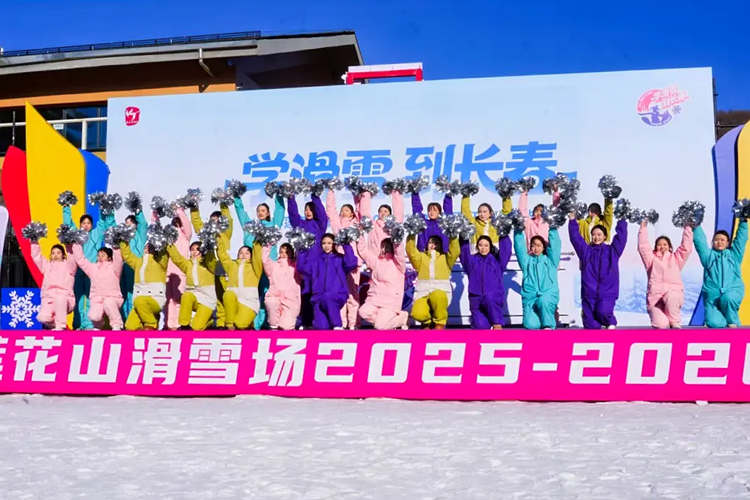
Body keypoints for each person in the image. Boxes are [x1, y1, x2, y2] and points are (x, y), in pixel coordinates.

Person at [234, 192, 285, 329]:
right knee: (253, 294)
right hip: (252, 267)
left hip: (269, 266)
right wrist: (236, 197)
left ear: (268, 213)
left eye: (263, 210)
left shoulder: (273, 225)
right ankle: (253, 324)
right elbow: (241, 212)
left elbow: (280, 211)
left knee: (268, 295)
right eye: (258, 211)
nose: (260, 213)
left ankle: (267, 324)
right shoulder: (250, 227)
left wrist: (279, 194)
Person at [569, 214, 628, 329]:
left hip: (607, 292)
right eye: (594, 235)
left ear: (605, 236)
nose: (596, 237)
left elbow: (621, 238)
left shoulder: (612, 251)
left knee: (603, 312)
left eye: (599, 234)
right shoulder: (586, 251)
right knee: (590, 324)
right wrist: (572, 221)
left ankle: (610, 322)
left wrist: (622, 220)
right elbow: (576, 239)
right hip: (588, 293)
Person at [62, 206, 115, 329]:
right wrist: (66, 207)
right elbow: (68, 224)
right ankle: (78, 324)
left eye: (88, 223)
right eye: (83, 223)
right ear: (80, 225)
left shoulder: (96, 234)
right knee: (79, 298)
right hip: (78, 271)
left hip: (92, 271)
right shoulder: (76, 235)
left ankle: (90, 324)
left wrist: (103, 207)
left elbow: (101, 223)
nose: (86, 225)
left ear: (92, 225)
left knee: (92, 297)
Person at [296, 233, 358, 329]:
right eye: (324, 243)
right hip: (318, 297)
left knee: (328, 297)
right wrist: (302, 249)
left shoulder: (340, 259)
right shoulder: (316, 260)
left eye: (329, 243)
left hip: (336, 295)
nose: (326, 246)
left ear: (334, 244)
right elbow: (302, 268)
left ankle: (338, 326)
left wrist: (346, 245)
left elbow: (351, 263)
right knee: (321, 327)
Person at [693, 218, 748, 328]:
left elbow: (740, 241)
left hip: (732, 290)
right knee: (713, 323)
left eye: (722, 240)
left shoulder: (734, 255)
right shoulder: (708, 257)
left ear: (727, 243)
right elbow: (700, 243)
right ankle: (723, 322)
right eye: (716, 240)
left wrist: (743, 222)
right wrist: (696, 226)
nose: (719, 242)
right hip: (713, 297)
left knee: (728, 299)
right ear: (712, 242)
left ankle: (733, 323)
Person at [637, 222, 693, 329]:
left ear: (670, 247)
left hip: (673, 295)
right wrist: (643, 227)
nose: (662, 246)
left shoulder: (676, 259)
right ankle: (665, 322)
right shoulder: (651, 260)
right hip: (656, 300)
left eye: (665, 244)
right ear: (655, 247)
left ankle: (674, 322)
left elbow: (686, 248)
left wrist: (688, 227)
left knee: (672, 297)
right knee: (661, 325)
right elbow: (643, 247)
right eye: (659, 244)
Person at [288, 191, 329, 327]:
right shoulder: (300, 225)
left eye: (311, 209)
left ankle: (319, 321)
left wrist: (315, 196)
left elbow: (322, 213)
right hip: (303, 267)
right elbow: (293, 214)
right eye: (306, 209)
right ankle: (306, 322)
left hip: (317, 267)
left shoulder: (319, 225)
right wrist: (291, 197)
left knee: (317, 294)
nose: (308, 212)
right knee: (305, 295)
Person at [190, 202, 232, 328]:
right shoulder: (206, 234)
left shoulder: (225, 232)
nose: (214, 222)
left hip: (223, 265)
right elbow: (197, 223)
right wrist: (194, 207)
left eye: (216, 220)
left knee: (226, 294)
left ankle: (228, 322)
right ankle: (219, 322)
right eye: (211, 220)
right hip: (209, 267)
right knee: (214, 295)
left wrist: (223, 202)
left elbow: (228, 218)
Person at [406, 233, 460, 329]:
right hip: (423, 292)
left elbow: (455, 251)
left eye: (436, 243)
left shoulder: (446, 258)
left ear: (441, 245)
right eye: (430, 242)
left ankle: (440, 323)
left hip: (441, 292)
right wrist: (411, 235)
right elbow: (411, 252)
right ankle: (427, 322)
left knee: (437, 295)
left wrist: (453, 235)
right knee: (417, 313)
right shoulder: (421, 257)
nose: (433, 245)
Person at [326, 188, 362, 329]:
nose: (343, 212)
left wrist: (356, 193)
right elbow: (331, 210)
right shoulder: (337, 224)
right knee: (340, 293)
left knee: (353, 294)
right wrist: (331, 191)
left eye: (347, 210)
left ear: (352, 213)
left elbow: (361, 209)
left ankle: (353, 323)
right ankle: (341, 323)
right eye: (342, 210)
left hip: (353, 263)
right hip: (339, 262)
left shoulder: (356, 224)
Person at [357, 234, 409, 330]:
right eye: (381, 247)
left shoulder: (398, 264)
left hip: (390, 301)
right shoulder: (377, 261)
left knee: (380, 326)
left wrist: (397, 241)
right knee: (363, 312)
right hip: (375, 299)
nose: (381, 249)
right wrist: (359, 235)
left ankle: (401, 319)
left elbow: (399, 253)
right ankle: (389, 322)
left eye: (384, 247)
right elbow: (363, 251)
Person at [459, 234, 511, 329]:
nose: (483, 248)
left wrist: (503, 235)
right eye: (480, 245)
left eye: (486, 245)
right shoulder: (472, 261)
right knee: (480, 327)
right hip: (476, 298)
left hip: (492, 299)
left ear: (490, 247)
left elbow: (506, 251)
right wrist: (464, 238)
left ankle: (498, 332)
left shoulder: (497, 261)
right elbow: (464, 253)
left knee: (496, 324)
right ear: (477, 247)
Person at [514, 227, 561, 329]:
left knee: (543, 301)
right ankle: (539, 321)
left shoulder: (551, 260)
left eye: (539, 245)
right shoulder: (526, 261)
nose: (536, 248)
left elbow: (555, 246)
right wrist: (518, 230)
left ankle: (548, 326)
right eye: (533, 245)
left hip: (548, 294)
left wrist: (553, 228)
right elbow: (519, 248)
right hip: (530, 296)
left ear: (543, 247)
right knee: (530, 325)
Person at [71, 244, 124, 330]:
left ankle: (117, 325)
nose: (100, 257)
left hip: (113, 298)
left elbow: (118, 260)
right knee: (93, 316)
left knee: (109, 303)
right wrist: (76, 245)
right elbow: (81, 261)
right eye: (98, 255)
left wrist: (116, 247)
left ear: (109, 258)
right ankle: (98, 326)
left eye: (103, 255)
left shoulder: (114, 268)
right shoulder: (93, 268)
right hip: (98, 299)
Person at [167, 242, 217, 330]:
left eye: (198, 249)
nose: (194, 252)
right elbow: (177, 259)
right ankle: (184, 325)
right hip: (193, 295)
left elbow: (211, 261)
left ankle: (210, 321)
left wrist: (209, 249)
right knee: (186, 296)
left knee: (195, 328)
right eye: (192, 250)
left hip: (207, 299)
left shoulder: (208, 264)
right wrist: (169, 243)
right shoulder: (188, 264)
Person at [119, 241, 168, 330]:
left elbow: (164, 254)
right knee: (130, 326)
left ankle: (151, 323)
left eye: (150, 247)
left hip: (155, 298)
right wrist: (123, 239)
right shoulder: (138, 262)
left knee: (139, 300)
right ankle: (148, 329)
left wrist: (163, 241)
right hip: (140, 303)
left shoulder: (160, 261)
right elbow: (127, 255)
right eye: (146, 247)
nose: (147, 249)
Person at [218, 238, 264, 330]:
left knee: (240, 324)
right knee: (228, 294)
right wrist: (219, 239)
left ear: (251, 256)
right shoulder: (232, 265)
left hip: (249, 303)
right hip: (234, 302)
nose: (243, 255)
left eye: (247, 253)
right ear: (237, 255)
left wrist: (258, 241)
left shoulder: (255, 268)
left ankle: (248, 324)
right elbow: (223, 256)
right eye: (241, 253)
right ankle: (229, 324)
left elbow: (258, 256)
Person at [30, 240, 76, 330]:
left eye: (58, 253)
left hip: (65, 299)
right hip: (49, 299)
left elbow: (72, 258)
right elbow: (36, 256)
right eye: (53, 253)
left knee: (60, 298)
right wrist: (34, 241)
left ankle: (61, 326)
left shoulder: (69, 266)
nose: (55, 255)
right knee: (42, 318)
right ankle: (54, 325)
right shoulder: (47, 266)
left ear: (63, 255)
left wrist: (69, 245)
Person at [262, 242, 302, 330]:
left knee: (286, 326)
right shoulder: (274, 265)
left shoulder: (296, 266)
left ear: (292, 253)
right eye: (281, 252)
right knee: (272, 303)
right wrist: (268, 245)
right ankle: (273, 328)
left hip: (291, 300)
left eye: (287, 252)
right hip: (275, 296)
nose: (284, 254)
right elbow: (265, 260)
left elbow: (303, 265)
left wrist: (300, 248)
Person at [163, 207, 192, 330]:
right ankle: (169, 324)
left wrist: (179, 211)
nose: (175, 223)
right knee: (168, 300)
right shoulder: (168, 238)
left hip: (180, 271)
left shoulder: (185, 235)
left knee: (178, 299)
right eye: (173, 221)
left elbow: (187, 225)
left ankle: (178, 324)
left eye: (178, 221)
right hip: (168, 272)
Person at [119, 208, 148, 321]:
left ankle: (132, 320)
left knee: (133, 293)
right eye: (126, 223)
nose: (128, 225)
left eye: (130, 223)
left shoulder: (140, 235)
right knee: (122, 294)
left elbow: (143, 224)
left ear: (136, 225)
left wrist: (138, 212)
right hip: (123, 266)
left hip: (135, 266)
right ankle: (124, 320)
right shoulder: (123, 236)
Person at [357, 187, 404, 254]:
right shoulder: (373, 225)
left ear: (390, 214)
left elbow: (398, 212)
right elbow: (365, 213)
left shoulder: (393, 225)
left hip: (389, 257)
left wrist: (396, 193)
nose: (383, 213)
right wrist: (366, 194)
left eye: (385, 211)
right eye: (380, 211)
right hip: (373, 256)